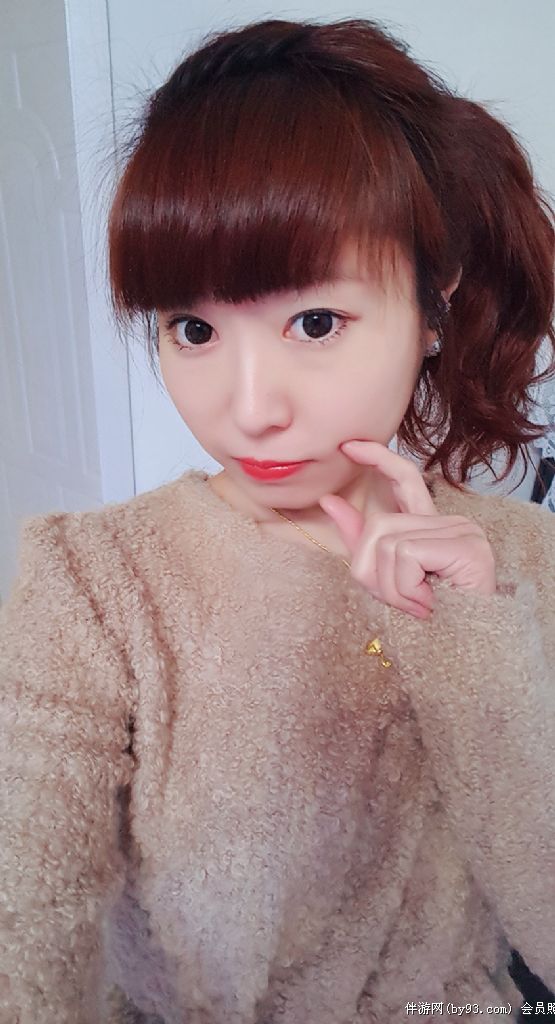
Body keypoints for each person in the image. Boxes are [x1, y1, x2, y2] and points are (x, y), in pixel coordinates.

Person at [1, 15, 554, 1024]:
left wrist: (474, 647)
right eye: (193, 328)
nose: (248, 407)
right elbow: (25, 918)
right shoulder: (96, 580)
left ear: (433, 307)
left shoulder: (526, 560)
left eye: (314, 321)